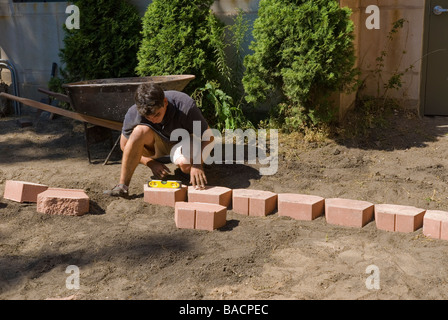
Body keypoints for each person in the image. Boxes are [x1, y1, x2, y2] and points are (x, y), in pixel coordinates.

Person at [104, 82, 213, 198]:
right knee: (138, 132)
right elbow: (124, 146)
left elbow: (209, 137)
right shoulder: (133, 113)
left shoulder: (185, 105)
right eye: (148, 118)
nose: (153, 120)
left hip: (183, 140)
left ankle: (185, 171)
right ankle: (122, 187)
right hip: (156, 145)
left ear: (165, 102)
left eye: (157, 115)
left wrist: (197, 164)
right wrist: (150, 163)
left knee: (186, 165)